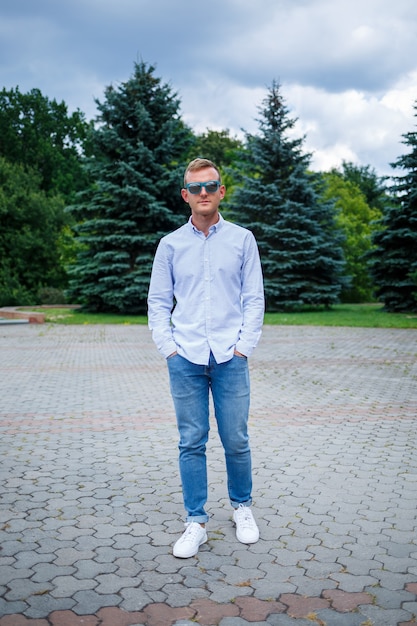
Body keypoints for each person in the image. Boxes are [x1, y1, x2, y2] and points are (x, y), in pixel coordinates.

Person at [147, 158, 264, 558]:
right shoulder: (170, 245)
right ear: (185, 195)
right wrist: (170, 349)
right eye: (195, 188)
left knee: (236, 439)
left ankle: (242, 508)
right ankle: (195, 521)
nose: (203, 193)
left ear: (221, 192)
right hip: (186, 358)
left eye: (210, 186)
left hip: (231, 356)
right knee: (191, 442)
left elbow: (254, 298)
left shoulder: (243, 239)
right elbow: (158, 303)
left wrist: (243, 346)